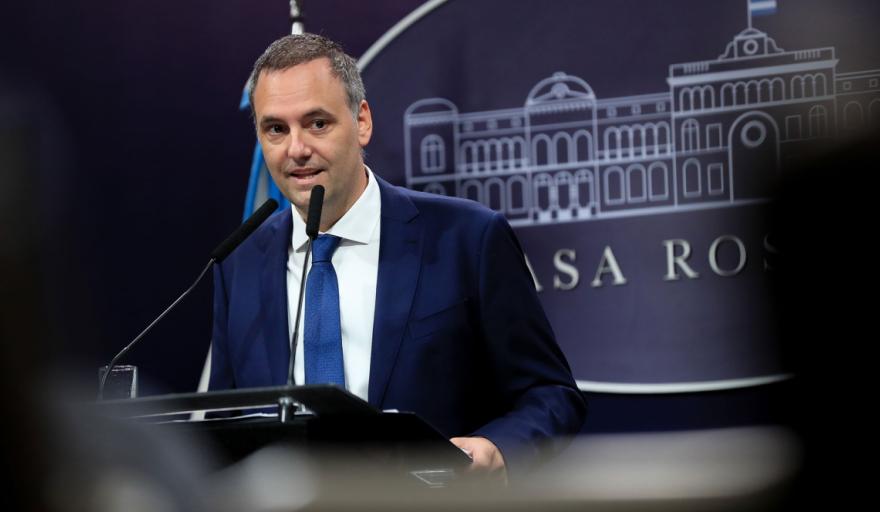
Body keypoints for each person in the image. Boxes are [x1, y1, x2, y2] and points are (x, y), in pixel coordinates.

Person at [208, 33, 586, 480]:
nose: (297, 149)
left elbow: (550, 394)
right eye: (276, 129)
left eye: (317, 123)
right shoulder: (239, 263)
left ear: (361, 121)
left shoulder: (468, 238)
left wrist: (496, 449)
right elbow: (227, 423)